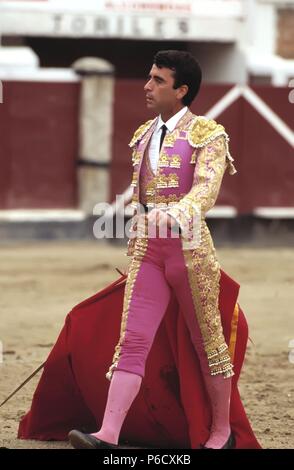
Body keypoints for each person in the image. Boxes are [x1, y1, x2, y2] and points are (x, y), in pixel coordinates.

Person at [68, 50, 238, 450]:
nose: (147, 86)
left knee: (208, 342)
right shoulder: (144, 134)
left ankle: (221, 432)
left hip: (190, 249)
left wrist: (177, 213)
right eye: (149, 78)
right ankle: (108, 434)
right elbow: (143, 195)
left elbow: (206, 189)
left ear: (181, 90)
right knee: (132, 339)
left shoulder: (209, 134)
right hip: (148, 247)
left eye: (158, 80)